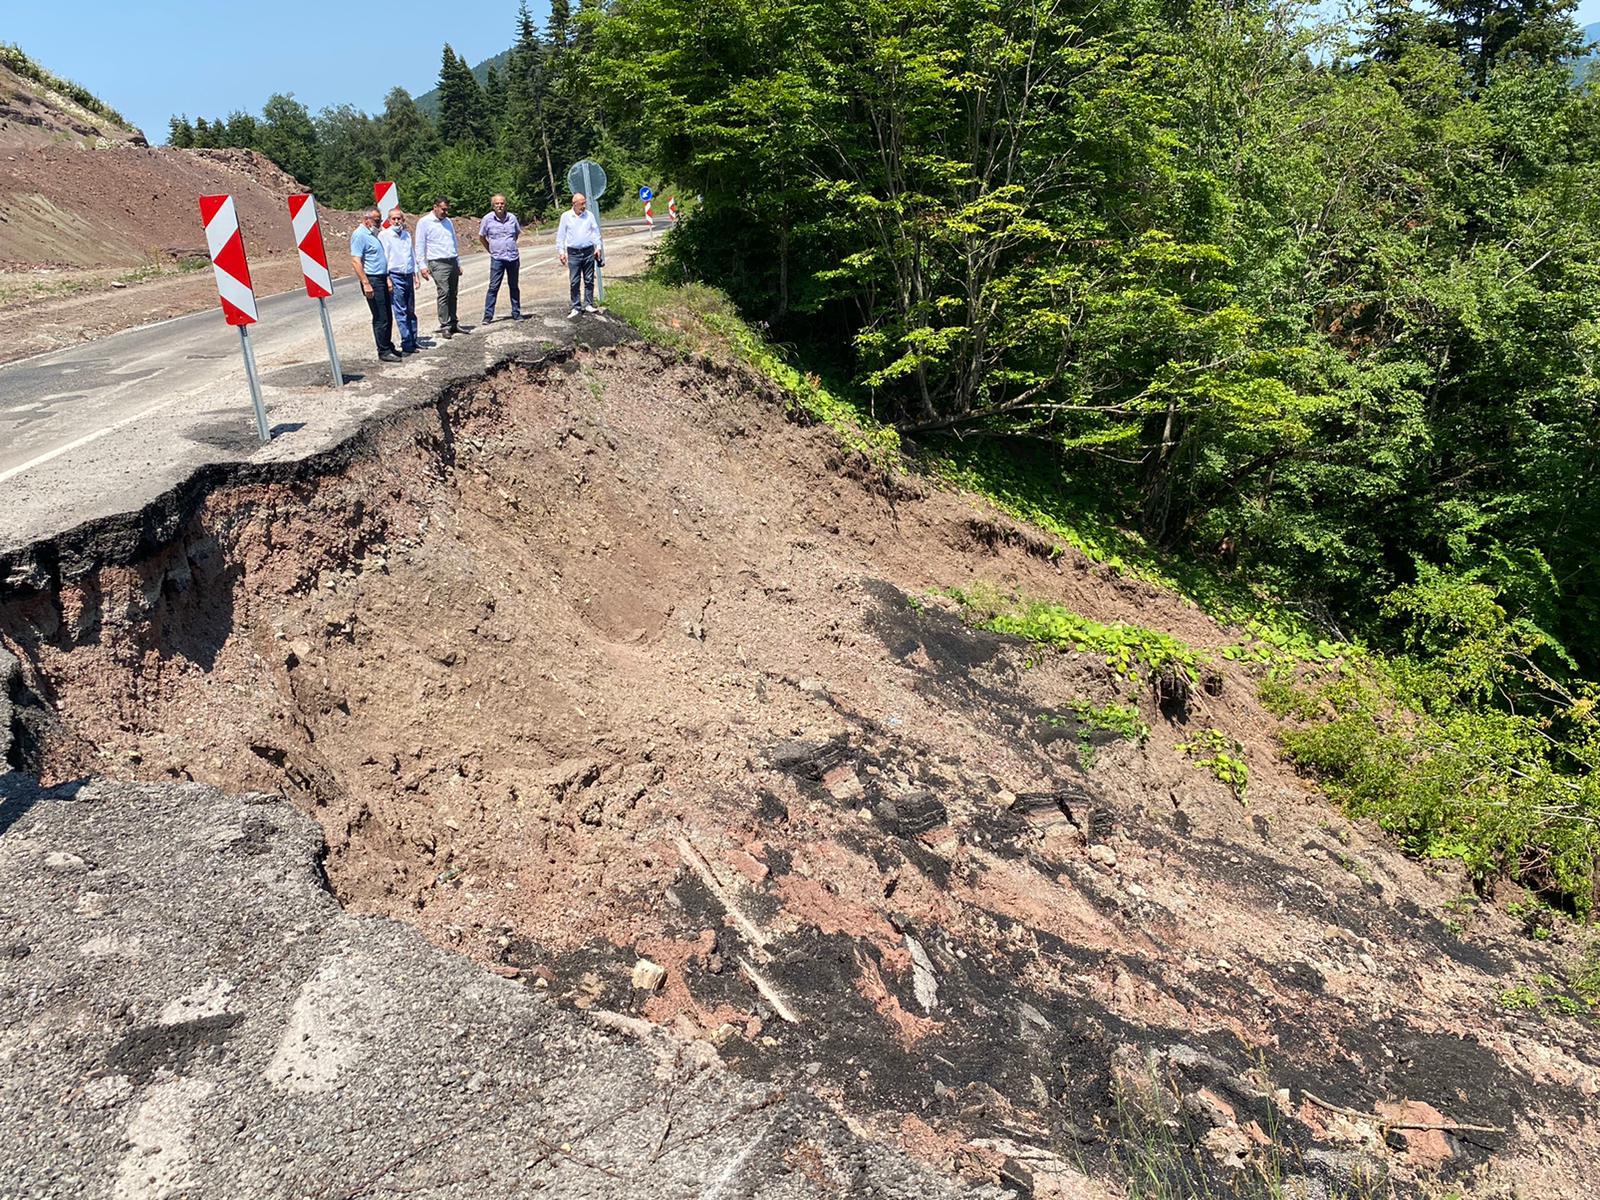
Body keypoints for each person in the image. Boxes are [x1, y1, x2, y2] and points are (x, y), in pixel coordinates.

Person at [350, 208, 401, 363]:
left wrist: (386, 278)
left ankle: (388, 345)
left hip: (381, 278)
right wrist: (366, 283)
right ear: (367, 219)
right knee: (380, 317)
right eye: (377, 220)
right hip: (372, 280)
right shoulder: (360, 235)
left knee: (387, 314)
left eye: (380, 219)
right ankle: (383, 350)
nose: (380, 223)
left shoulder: (374, 234)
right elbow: (356, 261)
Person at [416, 196, 464, 338]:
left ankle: (454, 322)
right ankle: (445, 324)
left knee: (453, 293)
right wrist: (422, 266)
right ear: (435, 207)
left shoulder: (448, 222)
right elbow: (419, 245)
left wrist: (458, 262)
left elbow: (453, 242)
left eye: (447, 209)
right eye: (443, 209)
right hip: (437, 262)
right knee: (444, 292)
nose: (445, 212)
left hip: (452, 260)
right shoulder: (424, 222)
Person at [556, 191, 604, 318]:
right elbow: (561, 235)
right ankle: (576, 306)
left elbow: (595, 232)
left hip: (588, 251)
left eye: (584, 203)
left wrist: (598, 247)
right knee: (574, 281)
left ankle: (588, 303)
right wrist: (561, 252)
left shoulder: (589, 215)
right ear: (574, 204)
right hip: (573, 252)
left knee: (589, 279)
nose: (584, 206)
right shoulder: (566, 216)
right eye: (581, 204)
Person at [379, 209, 420, 354]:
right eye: (394, 219)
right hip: (395, 275)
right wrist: (387, 278)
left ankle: (414, 340)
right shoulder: (384, 235)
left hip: (408, 274)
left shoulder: (406, 235)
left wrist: (416, 274)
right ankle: (407, 343)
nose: (397, 222)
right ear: (389, 221)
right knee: (400, 310)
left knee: (410, 309)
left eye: (399, 219)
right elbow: (384, 258)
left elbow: (411, 255)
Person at [478, 194, 523, 323]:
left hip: (513, 257)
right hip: (497, 258)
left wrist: (509, 245)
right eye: (497, 203)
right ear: (493, 205)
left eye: (502, 203)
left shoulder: (512, 218)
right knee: (493, 287)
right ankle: (488, 316)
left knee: (514, 286)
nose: (500, 206)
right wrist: (491, 250)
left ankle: (516, 313)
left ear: (505, 204)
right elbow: (482, 237)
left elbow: (516, 234)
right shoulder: (487, 219)